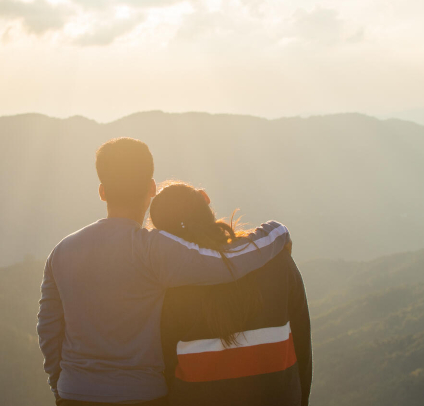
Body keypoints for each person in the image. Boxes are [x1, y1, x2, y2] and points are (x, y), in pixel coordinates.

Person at [37, 138, 291, 406]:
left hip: (73, 394)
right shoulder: (152, 249)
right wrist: (277, 231)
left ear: (102, 191)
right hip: (142, 396)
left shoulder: (62, 252)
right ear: (151, 188)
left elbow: (48, 330)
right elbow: (226, 263)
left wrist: (61, 385)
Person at [153, 182, 312, 406]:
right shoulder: (278, 262)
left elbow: (164, 365)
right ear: (205, 197)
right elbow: (302, 344)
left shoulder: (170, 284)